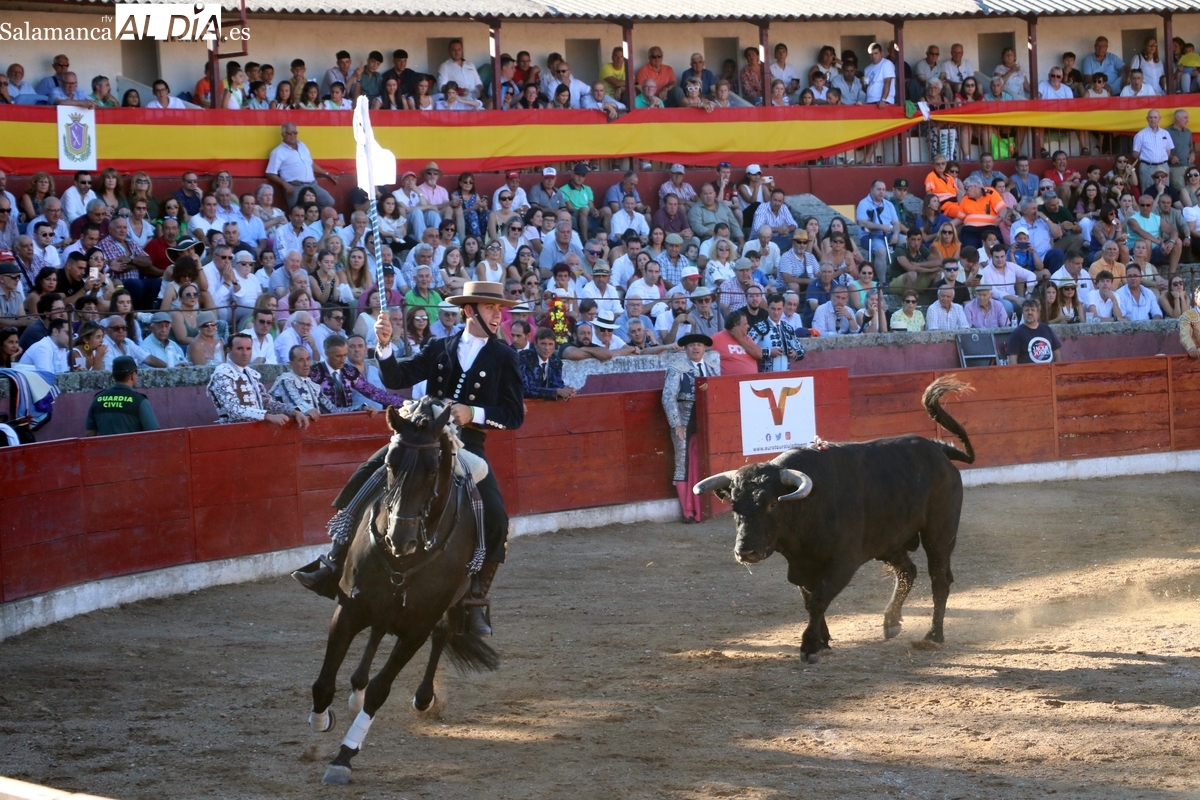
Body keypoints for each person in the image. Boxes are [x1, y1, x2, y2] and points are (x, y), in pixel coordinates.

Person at [295, 281, 523, 638]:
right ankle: (334, 559)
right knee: (369, 471)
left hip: (467, 445)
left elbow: (514, 414)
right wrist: (384, 345)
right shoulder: (439, 346)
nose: (498, 315)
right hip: (424, 435)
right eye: (491, 308)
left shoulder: (505, 356)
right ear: (469, 310)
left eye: (499, 309)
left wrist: (473, 412)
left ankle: (475, 598)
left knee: (495, 516)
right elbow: (398, 377)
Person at [662, 332, 716, 524]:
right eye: (692, 345)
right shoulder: (677, 368)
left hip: (706, 421)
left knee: (706, 460)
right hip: (685, 419)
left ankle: (704, 508)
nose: (696, 348)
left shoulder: (711, 368)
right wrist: (676, 423)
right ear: (685, 348)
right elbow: (668, 397)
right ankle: (688, 511)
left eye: (699, 345)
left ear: (704, 348)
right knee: (683, 462)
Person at [209, 333, 308, 426]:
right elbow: (233, 410)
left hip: (255, 429)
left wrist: (294, 412)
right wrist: (267, 416)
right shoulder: (221, 374)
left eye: (248, 349)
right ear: (229, 350)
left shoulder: (251, 374)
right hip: (231, 432)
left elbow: (267, 404)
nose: (245, 353)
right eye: (240, 349)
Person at [266, 122, 339, 209]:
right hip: (294, 187)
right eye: (290, 133)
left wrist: (327, 174)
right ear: (283, 134)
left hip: (312, 184)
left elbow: (310, 164)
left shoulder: (302, 145)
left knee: (328, 201)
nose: (293, 135)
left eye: (295, 133)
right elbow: (270, 173)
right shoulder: (278, 152)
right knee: (296, 210)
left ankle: (313, 218)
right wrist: (284, 184)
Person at [84, 355, 159, 437]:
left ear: (113, 375)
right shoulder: (140, 401)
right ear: (132, 375)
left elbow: (90, 434)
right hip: (132, 449)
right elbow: (154, 434)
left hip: (104, 449)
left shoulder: (98, 399)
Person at [518, 327, 575, 401]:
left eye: (550, 344)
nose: (547, 348)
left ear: (554, 346)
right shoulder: (525, 358)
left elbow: (557, 384)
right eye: (543, 344)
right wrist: (556, 392)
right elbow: (526, 389)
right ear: (535, 344)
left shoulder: (555, 362)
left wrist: (568, 391)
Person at [1006, 299, 1061, 364]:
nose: (1030, 313)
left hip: (1049, 372)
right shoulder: (1017, 333)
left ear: (1038, 313)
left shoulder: (1047, 329)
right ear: (1023, 313)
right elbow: (1013, 358)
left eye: (1033, 310)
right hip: (1028, 373)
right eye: (1027, 310)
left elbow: (1057, 353)